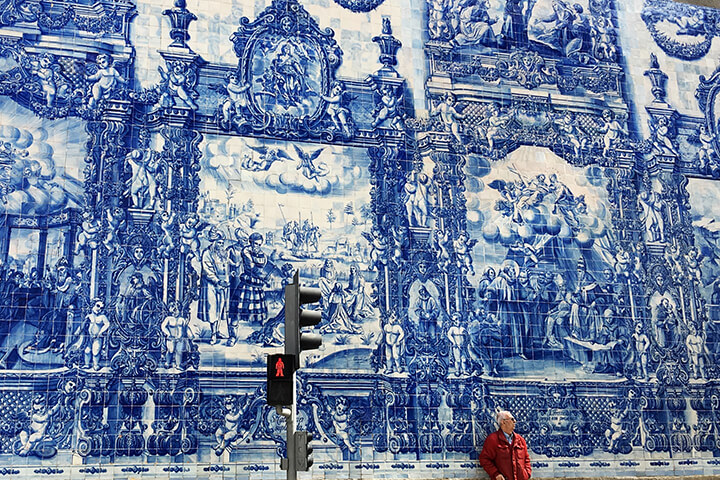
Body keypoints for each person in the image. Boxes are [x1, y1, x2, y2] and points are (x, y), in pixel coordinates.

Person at [479, 410, 532, 480]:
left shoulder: (520, 440)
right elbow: (484, 459)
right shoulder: (493, 440)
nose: (515, 421)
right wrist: (495, 474)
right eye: (512, 419)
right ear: (503, 422)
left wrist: (527, 473)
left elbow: (526, 458)